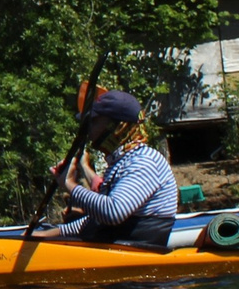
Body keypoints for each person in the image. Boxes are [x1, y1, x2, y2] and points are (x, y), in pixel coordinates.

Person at [57, 89, 180, 246]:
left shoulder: (144, 160)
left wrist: (69, 185)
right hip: (114, 249)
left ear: (118, 126)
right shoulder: (121, 162)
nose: (88, 130)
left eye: (94, 122)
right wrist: (55, 232)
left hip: (134, 256)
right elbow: (96, 221)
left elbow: (113, 212)